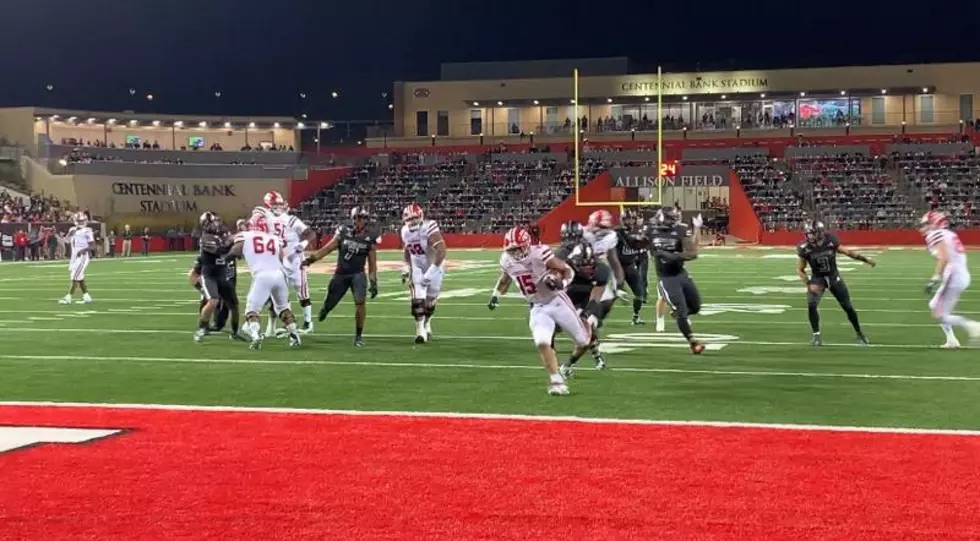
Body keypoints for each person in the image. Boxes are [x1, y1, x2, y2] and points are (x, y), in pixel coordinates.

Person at [488, 227, 592, 396]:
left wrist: (561, 283)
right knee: (542, 342)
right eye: (512, 249)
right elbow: (504, 280)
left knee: (583, 342)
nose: (516, 253)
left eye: (518, 248)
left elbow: (567, 270)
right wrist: (495, 295)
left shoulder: (540, 253)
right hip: (538, 307)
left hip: (557, 301)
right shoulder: (506, 260)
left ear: (527, 244)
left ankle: (587, 323)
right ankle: (556, 380)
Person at [303, 207, 379, 346]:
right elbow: (327, 248)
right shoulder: (343, 232)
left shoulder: (370, 237)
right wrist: (311, 259)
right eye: (357, 217)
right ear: (352, 218)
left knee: (360, 302)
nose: (360, 220)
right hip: (341, 274)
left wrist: (374, 282)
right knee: (331, 302)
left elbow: (372, 262)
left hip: (358, 274)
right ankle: (325, 309)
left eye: (362, 217)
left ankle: (358, 336)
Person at [796, 220, 875, 346]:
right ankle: (816, 336)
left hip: (833, 277)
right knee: (811, 305)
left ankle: (859, 333)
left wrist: (865, 259)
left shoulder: (830, 240)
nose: (808, 236)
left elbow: (848, 252)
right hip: (818, 279)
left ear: (819, 233)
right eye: (808, 233)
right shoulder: (804, 248)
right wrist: (808, 284)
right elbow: (800, 269)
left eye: (811, 233)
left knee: (848, 307)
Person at [251, 190, 318, 336]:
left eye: (280, 204)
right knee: (279, 296)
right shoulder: (265, 220)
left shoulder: (290, 219)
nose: (278, 207)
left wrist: (304, 243)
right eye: (275, 204)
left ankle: (308, 323)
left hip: (295, 261)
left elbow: (310, 233)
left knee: (302, 292)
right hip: (278, 262)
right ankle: (283, 326)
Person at [229, 217, 301, 350]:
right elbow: (280, 257)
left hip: (262, 276)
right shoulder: (274, 238)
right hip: (279, 275)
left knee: (251, 310)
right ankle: (294, 335)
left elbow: (234, 251)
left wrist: (227, 255)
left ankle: (256, 336)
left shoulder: (246, 236)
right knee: (283, 308)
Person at [646, 207, 705, 354]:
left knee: (696, 307)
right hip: (666, 278)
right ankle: (693, 342)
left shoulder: (681, 229)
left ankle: (677, 315)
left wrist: (670, 256)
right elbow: (635, 243)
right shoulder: (651, 231)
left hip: (681, 273)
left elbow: (692, 253)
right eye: (672, 218)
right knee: (681, 309)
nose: (675, 220)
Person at [920, 211, 980, 348]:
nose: (923, 227)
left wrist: (934, 279)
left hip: (954, 275)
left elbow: (944, 257)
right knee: (934, 305)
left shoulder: (935, 234)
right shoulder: (950, 234)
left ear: (934, 223)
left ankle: (973, 326)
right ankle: (951, 339)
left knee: (938, 313)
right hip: (961, 274)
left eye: (926, 224)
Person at [553, 241, 607, 376]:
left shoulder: (601, 270)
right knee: (552, 328)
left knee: (588, 330)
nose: (588, 269)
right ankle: (552, 357)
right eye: (584, 265)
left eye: (591, 264)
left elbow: (596, 296)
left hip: (584, 300)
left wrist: (588, 312)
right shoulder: (564, 270)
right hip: (563, 300)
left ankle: (569, 365)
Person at [400, 203, 447, 343]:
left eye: (415, 218)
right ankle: (420, 331)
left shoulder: (429, 227)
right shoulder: (404, 231)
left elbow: (442, 250)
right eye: (410, 219)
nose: (413, 222)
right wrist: (406, 265)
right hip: (417, 267)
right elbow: (408, 248)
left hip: (434, 266)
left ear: (421, 217)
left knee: (430, 302)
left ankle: (427, 323)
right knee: (417, 301)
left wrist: (431, 272)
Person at [194, 212, 241, 343]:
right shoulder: (205, 238)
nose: (216, 224)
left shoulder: (220, 236)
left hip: (222, 275)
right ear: (206, 224)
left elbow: (230, 248)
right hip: (209, 275)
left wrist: (235, 242)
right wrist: (233, 242)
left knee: (234, 305)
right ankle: (201, 328)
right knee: (213, 301)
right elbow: (219, 250)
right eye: (213, 222)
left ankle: (235, 331)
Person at [615, 210, 650, 325]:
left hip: (630, 266)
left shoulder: (638, 230)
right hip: (618, 267)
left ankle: (636, 317)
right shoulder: (617, 232)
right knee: (610, 297)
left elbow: (641, 246)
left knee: (639, 293)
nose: (630, 221)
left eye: (631, 219)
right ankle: (593, 317)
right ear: (623, 220)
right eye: (627, 219)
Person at [59, 213, 94, 305]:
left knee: (74, 276)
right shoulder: (72, 229)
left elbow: (92, 246)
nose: (81, 222)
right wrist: (69, 235)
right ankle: (86, 296)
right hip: (74, 257)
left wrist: (83, 250)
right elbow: (66, 241)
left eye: (83, 221)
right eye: (80, 221)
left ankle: (68, 297)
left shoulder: (87, 231)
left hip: (82, 256)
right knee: (79, 277)